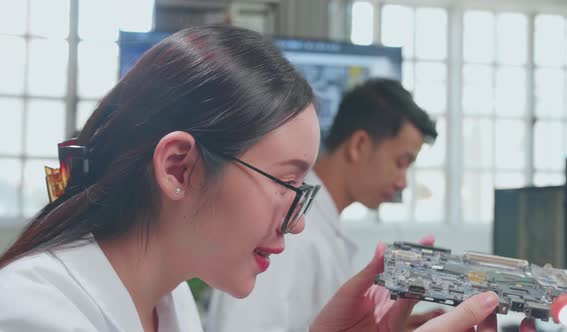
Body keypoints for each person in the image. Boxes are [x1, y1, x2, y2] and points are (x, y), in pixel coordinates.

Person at [0, 25, 532, 332]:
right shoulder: (32, 315)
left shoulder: (170, 303)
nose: (296, 226)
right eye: (285, 183)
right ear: (178, 167)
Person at [208, 78, 440, 332]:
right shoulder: (288, 231)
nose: (403, 182)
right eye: (400, 162)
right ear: (359, 145)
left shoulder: (322, 226)